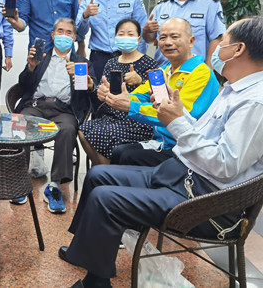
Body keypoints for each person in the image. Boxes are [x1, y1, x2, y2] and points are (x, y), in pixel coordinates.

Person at [59, 17, 263, 288]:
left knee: (105, 197)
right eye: (163, 37)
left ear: (237, 49)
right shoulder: (233, 90)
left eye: (222, 41)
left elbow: (225, 165)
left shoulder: (254, 102)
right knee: (98, 175)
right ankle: (86, 252)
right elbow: (196, 128)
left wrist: (175, 120)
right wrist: (167, 111)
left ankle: (95, 282)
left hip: (207, 201)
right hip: (184, 174)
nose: (215, 48)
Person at [105, 18, 219, 167]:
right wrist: (123, 97)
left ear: (191, 41)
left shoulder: (201, 73)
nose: (168, 42)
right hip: (162, 142)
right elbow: (142, 94)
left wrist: (130, 106)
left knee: (125, 156)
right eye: (163, 37)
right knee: (118, 152)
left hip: (187, 150)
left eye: (175, 37)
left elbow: (177, 115)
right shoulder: (163, 70)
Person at [13, 17, 95, 213]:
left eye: (68, 32)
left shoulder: (82, 62)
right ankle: (19, 180)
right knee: (21, 123)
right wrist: (31, 67)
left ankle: (55, 186)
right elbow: (23, 84)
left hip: (64, 110)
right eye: (60, 31)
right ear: (52, 35)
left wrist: (80, 77)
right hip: (36, 105)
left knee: (67, 130)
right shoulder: (40, 56)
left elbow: (88, 92)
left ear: (74, 38)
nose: (64, 35)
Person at [78, 19, 158, 165]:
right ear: (115, 37)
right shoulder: (111, 63)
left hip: (136, 118)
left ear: (139, 38)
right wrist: (97, 89)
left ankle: (106, 173)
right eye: (121, 34)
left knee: (103, 134)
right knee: (82, 131)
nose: (125, 37)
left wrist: (140, 81)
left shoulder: (149, 63)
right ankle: (102, 170)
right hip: (111, 115)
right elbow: (103, 90)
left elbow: (156, 94)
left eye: (130, 34)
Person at [76, 0, 148, 80]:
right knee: (98, 90)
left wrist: (139, 59)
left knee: (127, 90)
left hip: (127, 56)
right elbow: (79, 33)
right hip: (99, 58)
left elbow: (141, 30)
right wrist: (85, 16)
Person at [142, 0, 225, 67]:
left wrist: (209, 71)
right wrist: (146, 31)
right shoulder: (161, 6)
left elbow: (216, 40)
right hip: (163, 69)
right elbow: (150, 39)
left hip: (195, 70)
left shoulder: (210, 4)